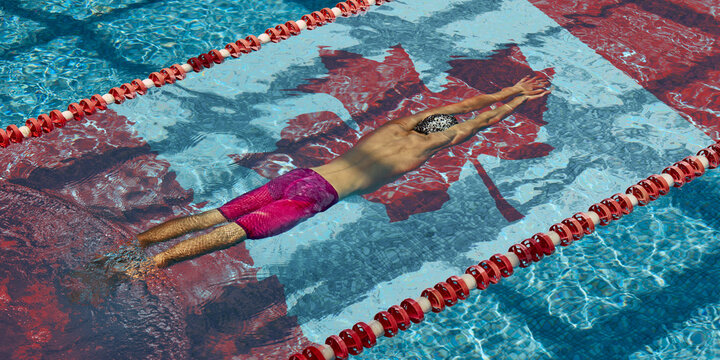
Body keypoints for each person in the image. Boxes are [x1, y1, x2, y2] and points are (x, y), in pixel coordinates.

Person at [138, 76, 551, 267]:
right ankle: (148, 266)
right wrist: (517, 102)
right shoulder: (432, 146)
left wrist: (506, 89)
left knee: (212, 217)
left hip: (301, 176)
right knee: (234, 233)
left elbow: (458, 110)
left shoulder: (397, 127)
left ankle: (136, 245)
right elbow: (476, 123)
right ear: (443, 138)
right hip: (315, 196)